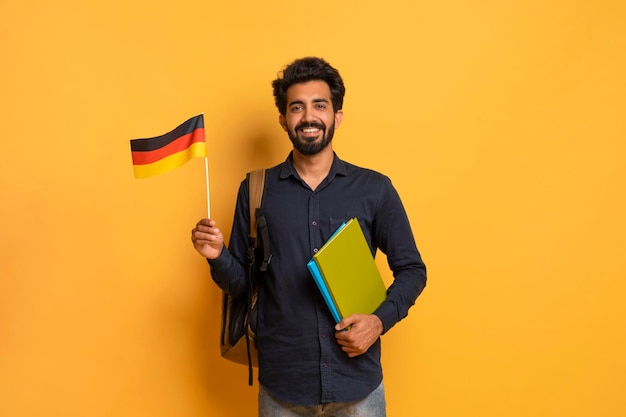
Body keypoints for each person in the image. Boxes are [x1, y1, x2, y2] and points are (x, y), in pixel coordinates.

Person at [191, 56, 427, 416]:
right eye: (296, 107)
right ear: (283, 120)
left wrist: (378, 321)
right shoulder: (256, 189)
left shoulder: (375, 189)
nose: (308, 116)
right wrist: (217, 255)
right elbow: (242, 286)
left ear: (337, 115)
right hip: (284, 386)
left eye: (320, 105)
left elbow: (412, 270)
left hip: (358, 384)